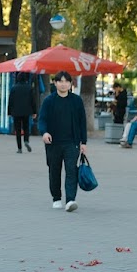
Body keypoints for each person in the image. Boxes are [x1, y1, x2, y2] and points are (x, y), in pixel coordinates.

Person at [37, 71, 88, 212]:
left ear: (70, 83)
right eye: (61, 81)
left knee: (72, 170)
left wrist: (83, 142)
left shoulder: (76, 101)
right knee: (54, 170)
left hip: (72, 142)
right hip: (53, 143)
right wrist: (44, 132)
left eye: (66, 81)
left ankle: (70, 199)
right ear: (55, 83)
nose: (64, 84)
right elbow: (42, 120)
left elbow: (82, 122)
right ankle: (56, 198)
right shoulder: (49, 101)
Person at [7, 72, 36, 154]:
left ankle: (19, 148)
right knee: (26, 127)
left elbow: (10, 101)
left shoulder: (14, 88)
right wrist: (34, 111)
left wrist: (9, 112)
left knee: (18, 129)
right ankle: (26, 140)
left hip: (16, 112)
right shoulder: (29, 88)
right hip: (26, 111)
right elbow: (32, 101)